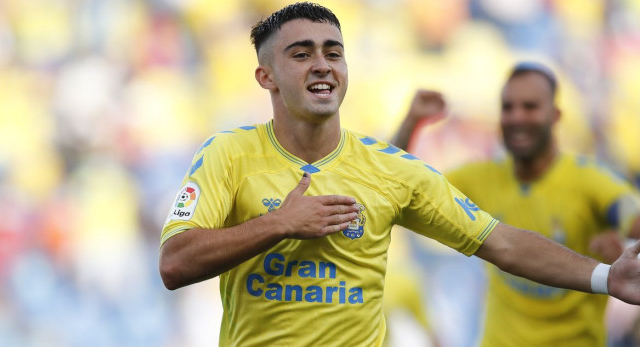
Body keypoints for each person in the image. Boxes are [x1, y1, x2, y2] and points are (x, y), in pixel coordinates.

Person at [159, 3, 640, 346]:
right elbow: (174, 264)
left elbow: (502, 243)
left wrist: (604, 277)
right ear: (266, 76)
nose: (323, 65)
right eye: (301, 54)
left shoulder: (391, 169)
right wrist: (279, 223)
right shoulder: (228, 154)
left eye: (333, 51)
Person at [391, 63, 640, 346]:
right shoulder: (480, 178)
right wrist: (411, 122)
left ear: (556, 115)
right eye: (508, 108)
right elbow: (399, 190)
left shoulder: (590, 180)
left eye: (530, 106)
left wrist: (623, 240)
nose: (516, 117)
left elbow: (631, 214)